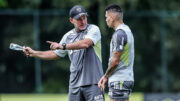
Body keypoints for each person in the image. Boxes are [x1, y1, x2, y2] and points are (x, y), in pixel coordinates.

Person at [23, 5, 105, 101]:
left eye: (84, 17)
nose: (83, 21)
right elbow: (55, 54)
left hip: (94, 83)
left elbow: (85, 43)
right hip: (74, 86)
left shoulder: (93, 29)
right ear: (71, 20)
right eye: (79, 19)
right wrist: (34, 53)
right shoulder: (68, 36)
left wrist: (63, 46)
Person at [98, 4, 134, 101]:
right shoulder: (127, 30)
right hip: (126, 79)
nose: (106, 20)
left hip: (119, 80)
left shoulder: (119, 34)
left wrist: (106, 76)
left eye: (106, 17)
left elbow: (115, 62)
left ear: (112, 17)